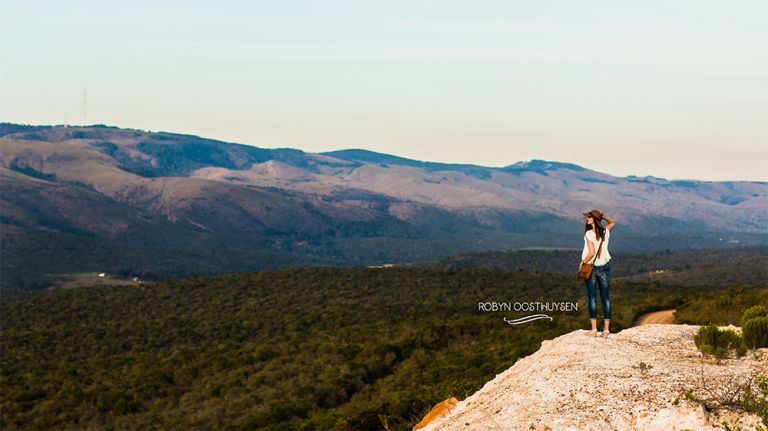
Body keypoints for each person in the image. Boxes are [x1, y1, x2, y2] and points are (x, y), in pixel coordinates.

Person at [580, 209, 616, 338]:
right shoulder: (605, 232)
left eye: (589, 217)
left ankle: (594, 329)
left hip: (592, 267)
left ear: (594, 219)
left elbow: (591, 253)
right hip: (605, 267)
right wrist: (603, 216)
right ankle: (606, 330)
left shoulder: (589, 233)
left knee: (592, 298)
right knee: (605, 298)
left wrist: (582, 262)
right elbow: (613, 222)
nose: (587, 219)